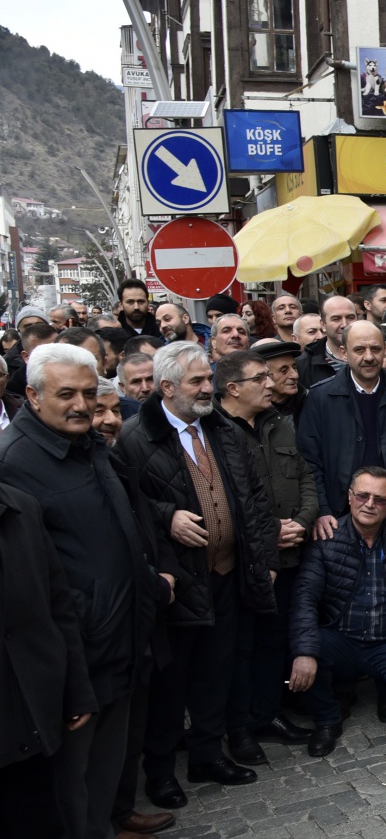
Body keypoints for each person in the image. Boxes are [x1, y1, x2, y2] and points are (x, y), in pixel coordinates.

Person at [0, 344, 172, 839]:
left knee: (103, 769)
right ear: (32, 397)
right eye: (65, 395)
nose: (80, 406)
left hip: (122, 632)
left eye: (86, 393)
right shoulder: (17, 461)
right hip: (74, 651)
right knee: (66, 785)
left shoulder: (86, 447)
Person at [113, 342, 278, 807]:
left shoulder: (222, 429)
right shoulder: (134, 438)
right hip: (179, 582)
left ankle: (208, 754)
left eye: (209, 378)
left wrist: (262, 559)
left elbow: (256, 498)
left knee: (216, 670)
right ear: (167, 388)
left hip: (228, 573)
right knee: (172, 683)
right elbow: (125, 505)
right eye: (197, 382)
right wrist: (166, 515)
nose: (209, 388)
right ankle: (162, 772)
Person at [0, 467, 99, 839]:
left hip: (27, 707)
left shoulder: (19, 506)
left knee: (32, 831)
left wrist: (75, 690)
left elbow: (58, 608)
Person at [290, 466, 386, 751]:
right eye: (363, 495)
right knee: (303, 656)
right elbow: (304, 599)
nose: (370, 504)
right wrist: (304, 652)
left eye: (380, 499)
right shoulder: (326, 539)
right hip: (341, 639)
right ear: (350, 497)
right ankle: (327, 719)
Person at [213, 349, 318, 768]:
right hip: (245, 562)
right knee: (240, 648)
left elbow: (307, 477)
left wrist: (304, 521)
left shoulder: (280, 424)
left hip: (291, 552)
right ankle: (238, 727)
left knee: (275, 640)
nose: (271, 384)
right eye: (261, 378)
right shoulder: (215, 432)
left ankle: (267, 713)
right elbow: (223, 502)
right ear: (234, 388)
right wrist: (267, 534)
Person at [297, 322, 386, 536]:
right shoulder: (321, 398)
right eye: (360, 350)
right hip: (336, 520)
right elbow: (309, 462)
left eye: (376, 349)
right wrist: (322, 510)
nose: (369, 357)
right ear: (344, 352)